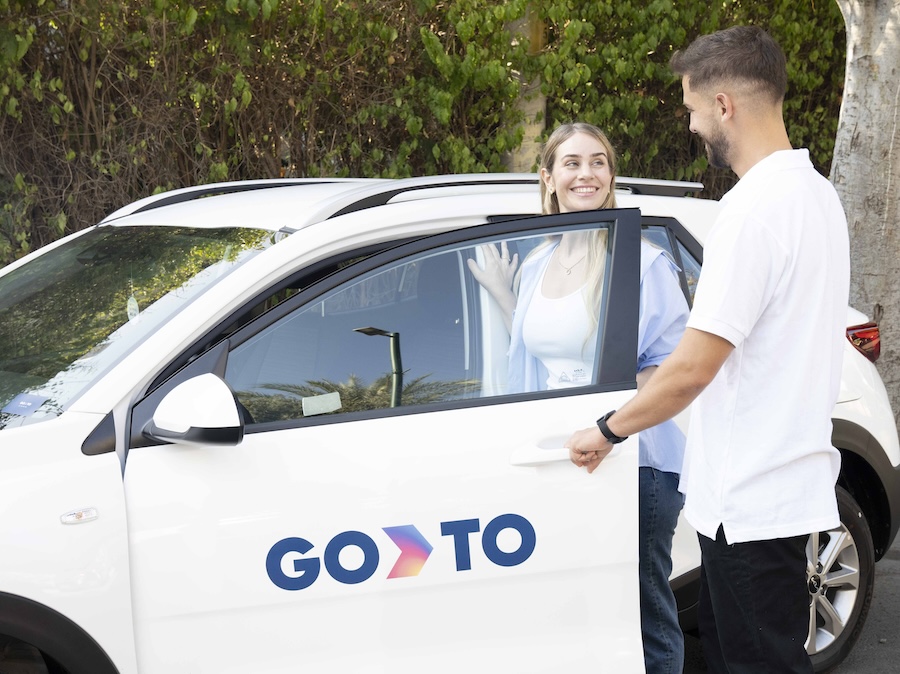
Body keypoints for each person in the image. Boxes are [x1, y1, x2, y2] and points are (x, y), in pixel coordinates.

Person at [564, 26, 850, 674]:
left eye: (692, 108)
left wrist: (606, 430)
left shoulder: (751, 212)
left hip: (751, 499)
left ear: (724, 104)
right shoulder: (816, 195)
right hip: (780, 488)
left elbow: (693, 367)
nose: (692, 125)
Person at [468, 122, 691, 673]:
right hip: (561, 457)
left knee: (643, 612)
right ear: (548, 178)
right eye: (571, 163)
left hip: (630, 460)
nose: (585, 173)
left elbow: (668, 368)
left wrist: (610, 426)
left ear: (611, 176)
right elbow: (537, 352)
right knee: (580, 609)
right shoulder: (539, 263)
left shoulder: (640, 262)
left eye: (598, 162)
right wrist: (504, 296)